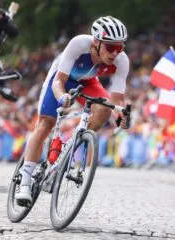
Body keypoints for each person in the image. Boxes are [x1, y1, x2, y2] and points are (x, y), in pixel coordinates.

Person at [15, 16, 131, 205]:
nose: (115, 53)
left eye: (120, 47)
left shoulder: (121, 61)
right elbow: (58, 82)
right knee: (45, 124)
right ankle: (25, 180)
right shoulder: (79, 44)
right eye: (111, 47)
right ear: (96, 42)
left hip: (88, 81)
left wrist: (121, 116)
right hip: (62, 78)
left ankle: (71, 147)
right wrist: (62, 97)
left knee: (104, 109)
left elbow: (117, 100)